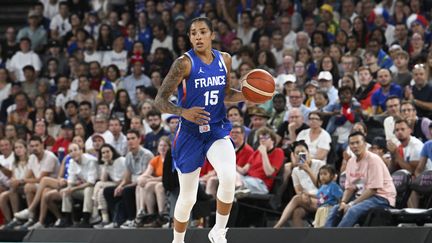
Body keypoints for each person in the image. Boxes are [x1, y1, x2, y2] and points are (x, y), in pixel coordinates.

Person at [154, 17, 245, 243]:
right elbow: (159, 100)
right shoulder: (183, 63)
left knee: (228, 176)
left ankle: (218, 231)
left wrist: (248, 95)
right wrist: (182, 111)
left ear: (212, 35)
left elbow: (226, 93)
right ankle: (177, 240)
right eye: (193, 33)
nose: (197, 36)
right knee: (188, 198)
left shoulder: (225, 59)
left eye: (202, 32)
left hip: (216, 129)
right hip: (190, 134)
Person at [325, 132, 396, 227]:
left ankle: (339, 238)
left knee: (352, 210)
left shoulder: (373, 160)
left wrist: (351, 204)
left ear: (365, 144)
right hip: (363, 197)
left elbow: (373, 190)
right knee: (336, 209)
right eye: (352, 143)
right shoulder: (350, 162)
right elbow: (350, 188)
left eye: (358, 142)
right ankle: (325, 237)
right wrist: (343, 202)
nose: (355, 146)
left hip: (382, 197)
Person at [273, 140, 324, 228]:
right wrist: (303, 195)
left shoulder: (319, 164)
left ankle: (277, 226)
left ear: (308, 153)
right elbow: (299, 191)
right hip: (307, 200)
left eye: (303, 152)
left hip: (322, 199)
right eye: (297, 153)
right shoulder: (295, 171)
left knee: (296, 199)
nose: (300, 154)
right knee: (297, 212)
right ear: (294, 156)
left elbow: (323, 187)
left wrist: (308, 170)